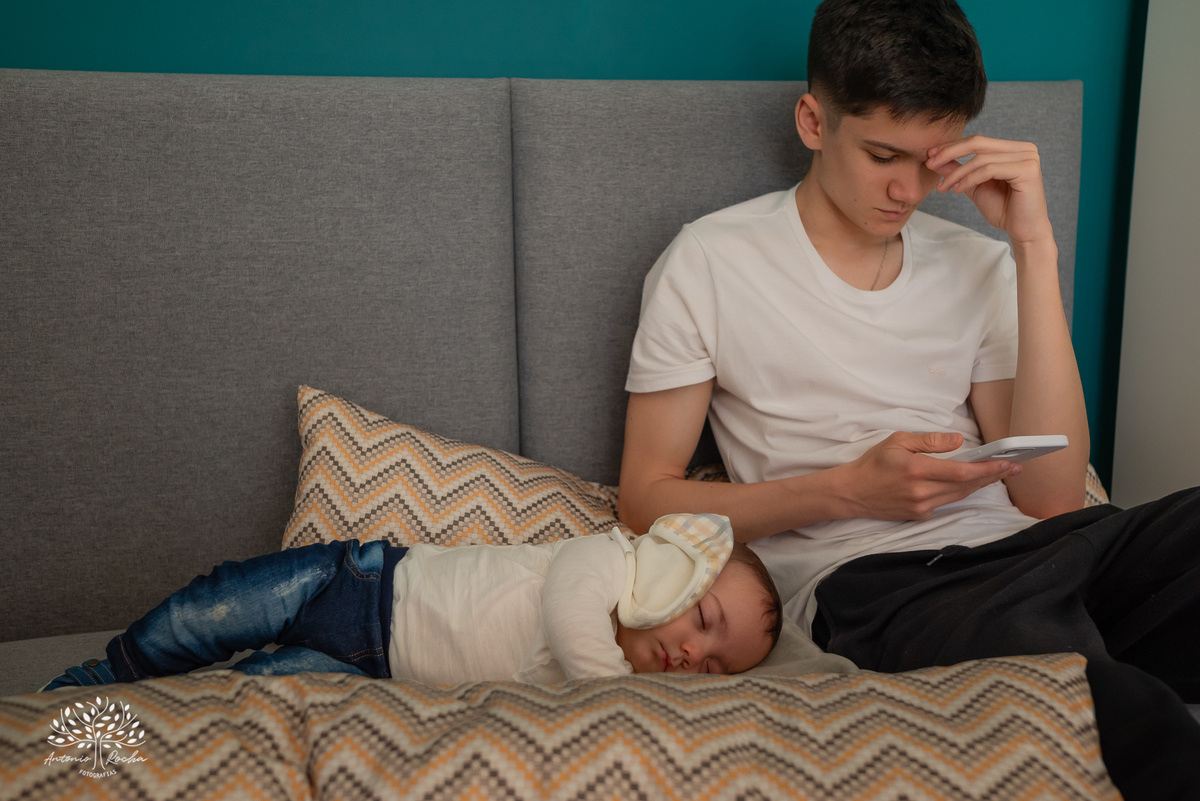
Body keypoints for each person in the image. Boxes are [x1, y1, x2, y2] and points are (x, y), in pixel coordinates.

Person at [617, 0, 1200, 797]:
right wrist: (848, 490)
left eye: (930, 160)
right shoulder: (709, 263)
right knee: (1093, 704)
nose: (907, 189)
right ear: (813, 121)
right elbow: (644, 499)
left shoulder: (980, 261)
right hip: (881, 584)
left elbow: (1053, 498)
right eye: (881, 154)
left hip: (1043, 551)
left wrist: (1033, 247)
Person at [43, 513, 782, 690]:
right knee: (212, 608)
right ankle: (101, 679)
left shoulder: (591, 687)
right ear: (676, 570)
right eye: (705, 620)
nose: (694, 654)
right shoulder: (607, 561)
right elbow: (570, 616)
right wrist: (621, 698)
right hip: (360, 585)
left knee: (241, 700)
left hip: (369, 675)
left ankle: (101, 736)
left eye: (715, 668)